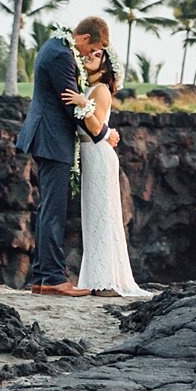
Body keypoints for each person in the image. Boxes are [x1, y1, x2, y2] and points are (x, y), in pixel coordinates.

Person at [15, 14, 117, 295]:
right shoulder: (62, 55)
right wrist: (104, 135)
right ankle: (52, 279)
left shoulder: (54, 46)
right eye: (90, 48)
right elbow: (72, 105)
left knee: (48, 207)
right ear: (83, 38)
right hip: (51, 137)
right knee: (53, 210)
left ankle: (41, 277)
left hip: (48, 136)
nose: (89, 55)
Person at [64, 45, 152, 299]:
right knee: (93, 217)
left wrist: (83, 104)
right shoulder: (87, 89)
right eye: (89, 53)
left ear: (106, 66)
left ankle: (106, 282)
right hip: (91, 157)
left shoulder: (100, 90)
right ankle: (96, 279)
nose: (90, 55)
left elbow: (95, 128)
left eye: (98, 54)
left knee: (103, 215)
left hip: (99, 156)